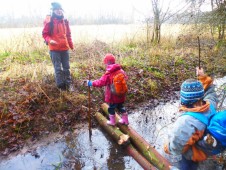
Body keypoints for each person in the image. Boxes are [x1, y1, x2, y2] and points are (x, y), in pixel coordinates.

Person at [164, 67, 224, 170]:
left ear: (184, 100)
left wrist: (167, 147)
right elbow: (211, 94)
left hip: (194, 154)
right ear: (201, 96)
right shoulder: (211, 106)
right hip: (206, 148)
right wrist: (202, 77)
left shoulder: (186, 121)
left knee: (187, 164)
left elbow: (176, 147)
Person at [86, 53, 129, 126]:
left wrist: (91, 83)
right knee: (120, 107)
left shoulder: (109, 74)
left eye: (105, 63)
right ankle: (125, 120)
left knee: (111, 109)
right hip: (121, 95)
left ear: (107, 63)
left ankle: (112, 122)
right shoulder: (121, 70)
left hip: (112, 97)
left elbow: (100, 82)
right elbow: (126, 78)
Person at [42, 2, 75, 91]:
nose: (59, 11)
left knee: (66, 67)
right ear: (53, 11)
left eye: (60, 9)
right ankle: (61, 87)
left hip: (65, 49)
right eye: (57, 9)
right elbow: (44, 34)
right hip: (54, 50)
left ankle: (68, 84)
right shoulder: (49, 21)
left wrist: (71, 46)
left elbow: (68, 34)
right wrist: (49, 40)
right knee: (57, 68)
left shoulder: (65, 21)